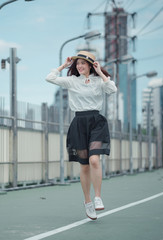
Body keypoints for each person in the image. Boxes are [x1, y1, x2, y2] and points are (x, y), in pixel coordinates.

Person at [45, 51, 117, 220]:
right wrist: (63, 66)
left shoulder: (98, 81)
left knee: (94, 160)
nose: (79, 66)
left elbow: (112, 89)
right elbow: (49, 78)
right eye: (77, 64)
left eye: (83, 63)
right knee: (84, 166)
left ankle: (98, 197)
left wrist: (100, 73)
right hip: (79, 123)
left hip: (96, 122)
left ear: (91, 65)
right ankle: (87, 202)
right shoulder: (71, 81)